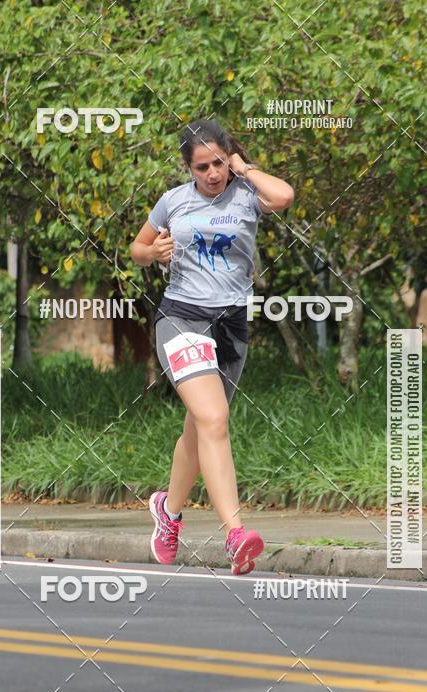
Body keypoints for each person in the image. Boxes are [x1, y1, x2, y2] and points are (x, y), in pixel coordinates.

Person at [130, 119, 294, 575]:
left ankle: (168, 510)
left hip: (229, 325)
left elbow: (283, 197)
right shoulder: (173, 202)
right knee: (215, 419)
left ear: (229, 158)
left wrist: (245, 167)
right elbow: (136, 249)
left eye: (219, 163)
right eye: (202, 167)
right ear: (188, 168)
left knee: (198, 429)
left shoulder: (246, 194)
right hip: (182, 319)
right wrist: (154, 252)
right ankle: (235, 534)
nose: (213, 173)